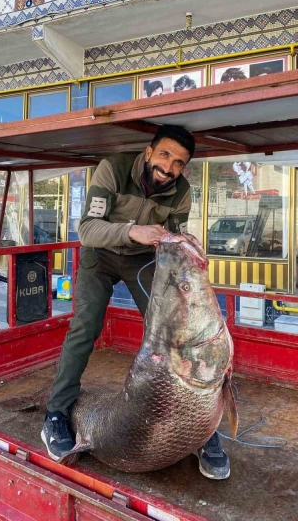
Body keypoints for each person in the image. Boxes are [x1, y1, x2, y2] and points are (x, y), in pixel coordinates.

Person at [41, 125, 231, 480]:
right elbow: (87, 230)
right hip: (100, 256)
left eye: (178, 162)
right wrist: (133, 230)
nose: (169, 167)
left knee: (178, 335)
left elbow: (174, 233)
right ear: (148, 152)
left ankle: (205, 431)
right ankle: (56, 412)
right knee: (85, 327)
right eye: (164, 155)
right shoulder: (111, 169)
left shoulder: (182, 191)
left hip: (143, 261)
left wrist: (183, 240)